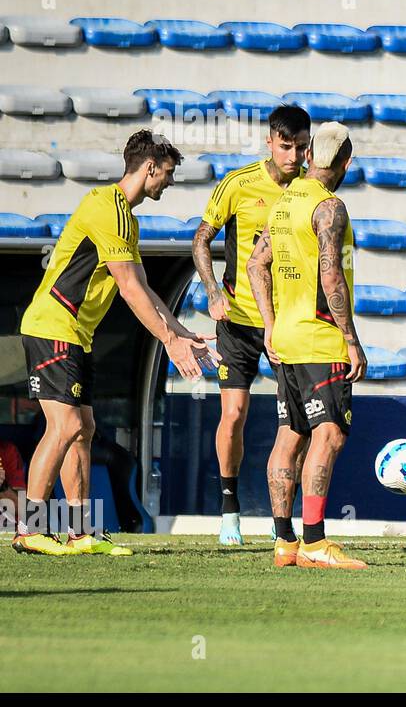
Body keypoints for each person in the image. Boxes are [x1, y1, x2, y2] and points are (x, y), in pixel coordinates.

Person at [15, 131, 217, 556]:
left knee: (83, 430)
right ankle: (30, 529)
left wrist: (180, 332)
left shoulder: (125, 215)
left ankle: (80, 531)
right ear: (149, 168)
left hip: (75, 334)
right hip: (54, 327)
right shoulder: (108, 208)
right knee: (65, 426)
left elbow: (141, 283)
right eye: (167, 173)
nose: (169, 182)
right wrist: (168, 342)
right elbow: (127, 287)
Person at [247, 121, 367, 570]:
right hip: (321, 339)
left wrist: (270, 325)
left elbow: (257, 265)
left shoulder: (284, 202)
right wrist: (352, 341)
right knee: (329, 434)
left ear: (311, 153)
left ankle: (284, 543)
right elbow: (331, 276)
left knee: (289, 436)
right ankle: (314, 541)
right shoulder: (329, 207)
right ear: (347, 162)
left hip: (287, 340)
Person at [193, 104, 311, 546]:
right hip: (239, 319)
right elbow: (201, 237)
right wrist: (212, 290)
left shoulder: (309, 191)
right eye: (286, 147)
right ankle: (229, 510)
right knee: (235, 413)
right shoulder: (239, 184)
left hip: (287, 324)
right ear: (269, 142)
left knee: (297, 422)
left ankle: (286, 522)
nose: (294, 156)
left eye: (301, 147)